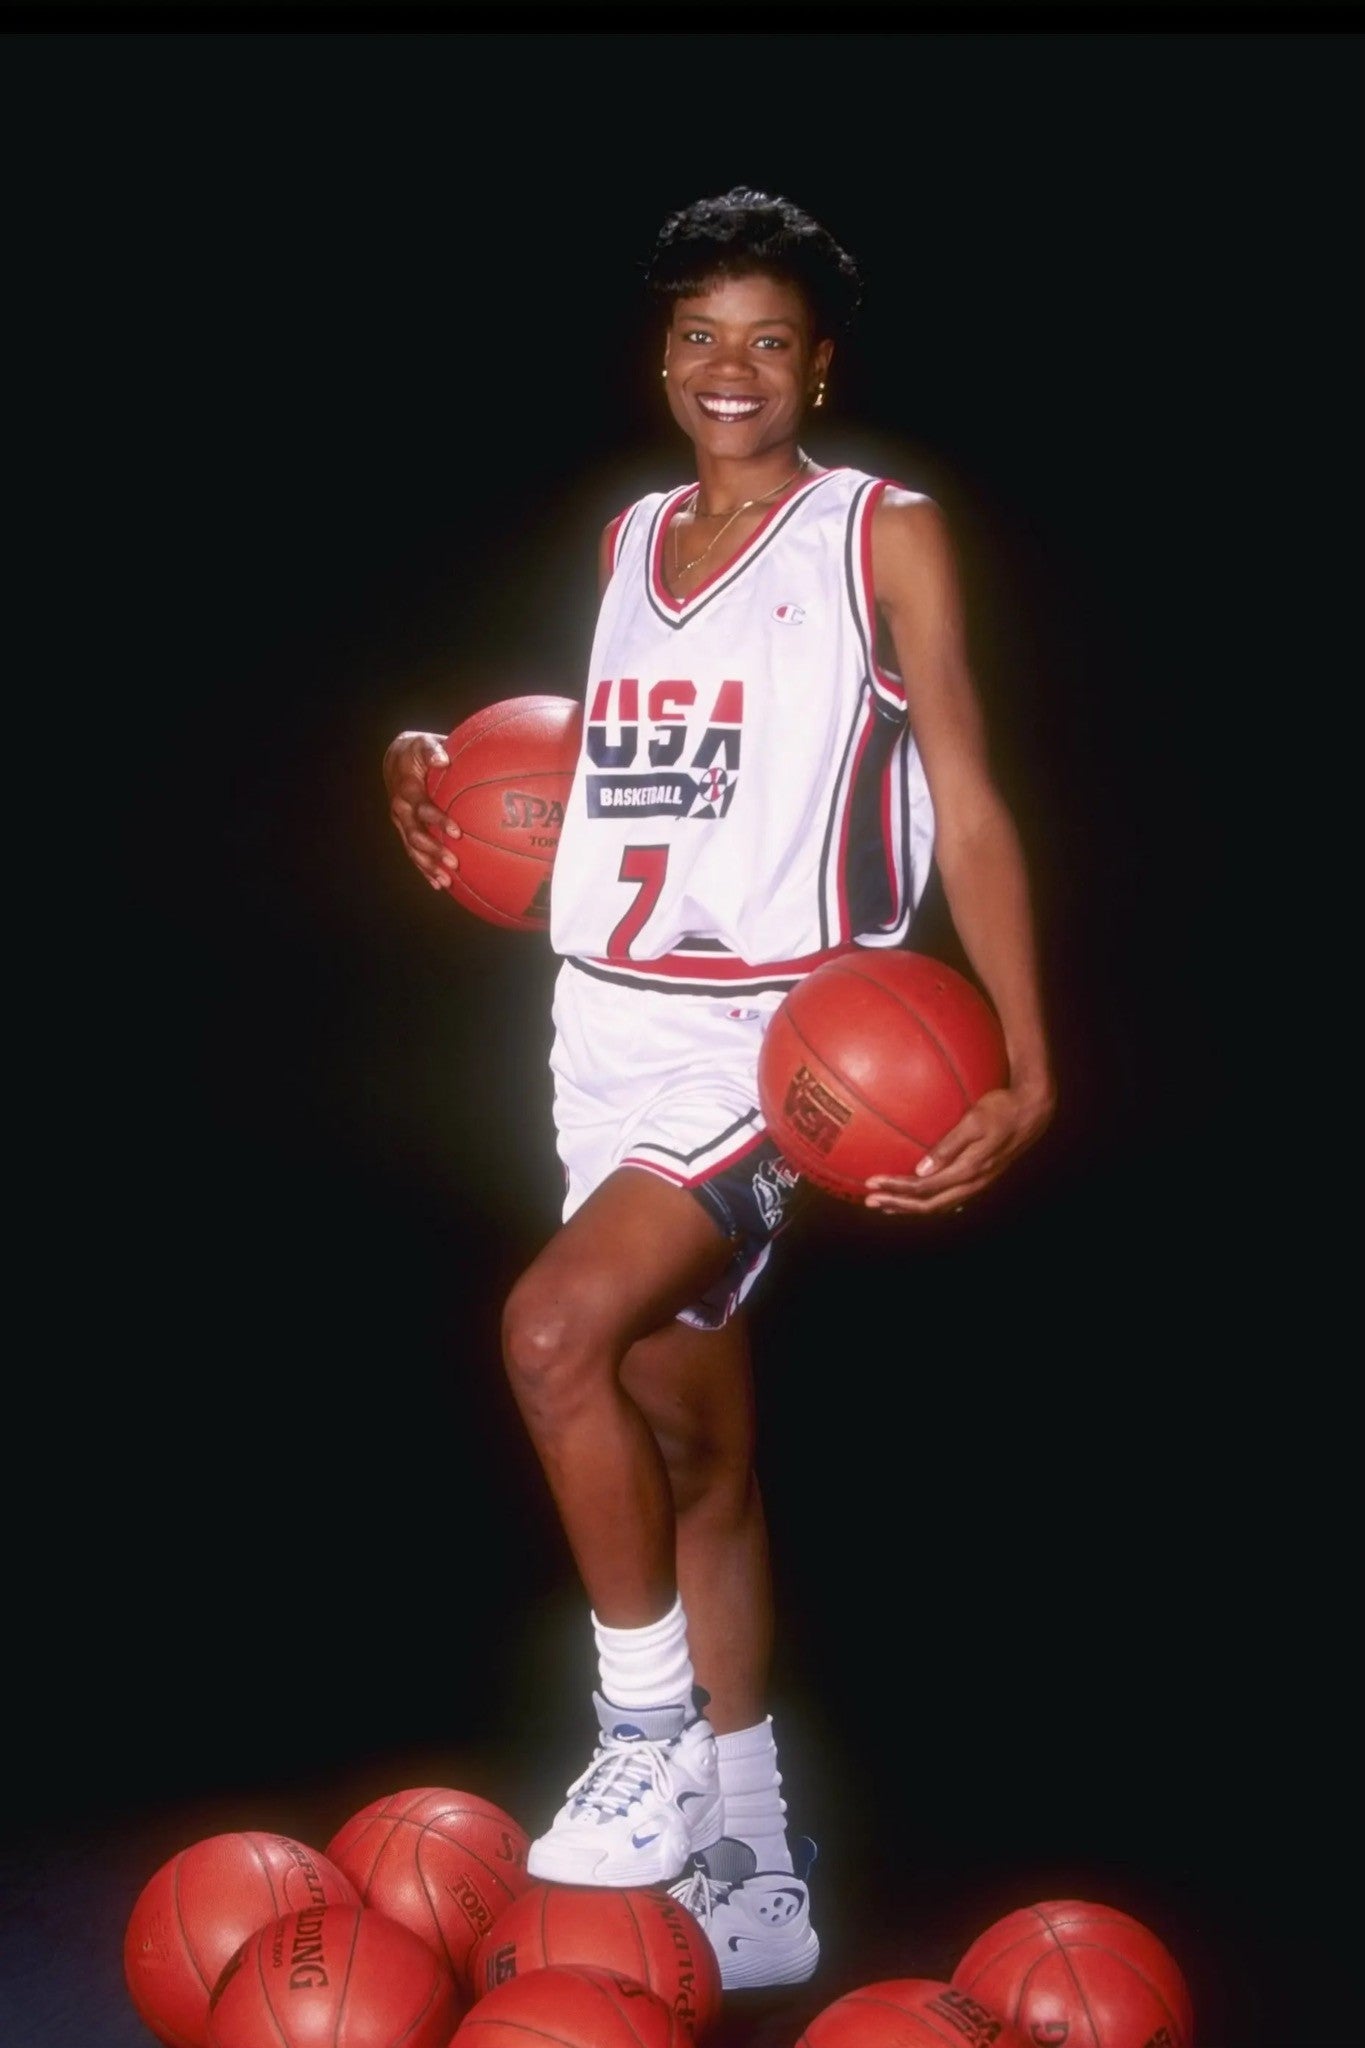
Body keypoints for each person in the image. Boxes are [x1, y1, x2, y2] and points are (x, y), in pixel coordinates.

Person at [382, 186, 1055, 1993]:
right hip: (592, 1029)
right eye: (699, 336)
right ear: (662, 357)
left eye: (768, 339)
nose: (728, 369)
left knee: (549, 1338)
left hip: (774, 1042)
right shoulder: (627, 543)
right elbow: (616, 776)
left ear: (819, 363)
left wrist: (1031, 1056)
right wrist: (441, 774)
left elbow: (968, 800)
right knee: (695, 1453)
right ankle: (758, 1866)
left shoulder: (880, 534)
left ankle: (643, 1737)